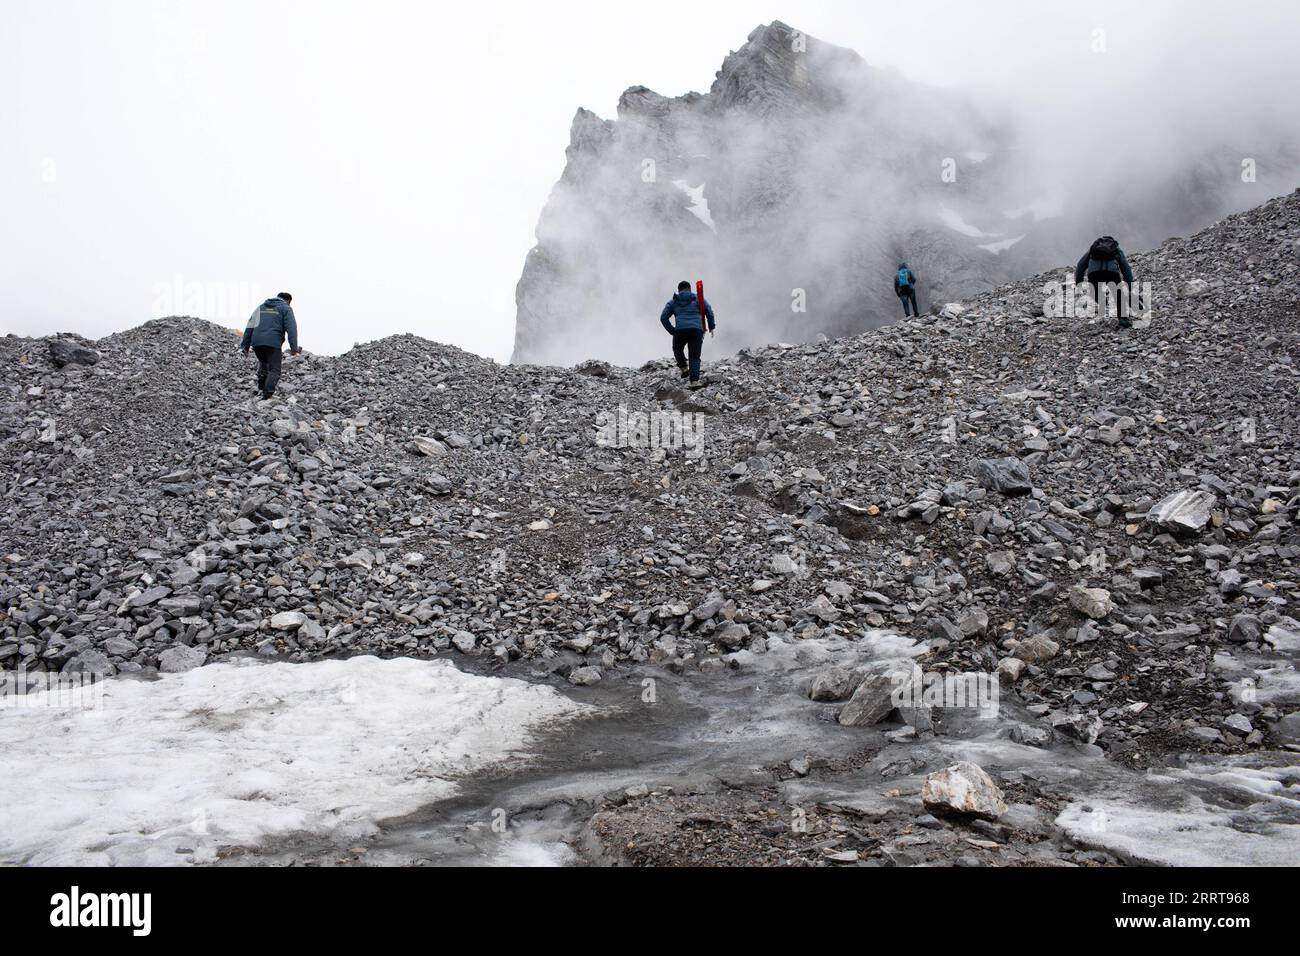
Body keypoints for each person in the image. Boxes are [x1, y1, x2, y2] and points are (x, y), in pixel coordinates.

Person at [240, 293, 300, 399]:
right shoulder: (286, 308)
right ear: (288, 301)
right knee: (274, 369)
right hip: (273, 342)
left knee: (264, 362)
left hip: (257, 342)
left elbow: (250, 326)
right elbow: (291, 329)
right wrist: (294, 349)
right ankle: (267, 394)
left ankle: (262, 384)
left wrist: (245, 346)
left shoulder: (261, 307)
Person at [660, 281, 716, 390]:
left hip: (680, 330)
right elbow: (709, 311)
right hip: (696, 330)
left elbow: (663, 318)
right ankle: (694, 382)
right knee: (694, 356)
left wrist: (673, 331)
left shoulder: (673, 301)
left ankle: (683, 367)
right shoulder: (698, 299)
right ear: (690, 289)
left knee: (677, 348)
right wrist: (711, 326)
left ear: (679, 290)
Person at [1074, 237, 1136, 327]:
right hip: (1111, 273)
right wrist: (1129, 286)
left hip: (1094, 274)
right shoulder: (1116, 250)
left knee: (1095, 293)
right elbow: (1126, 267)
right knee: (1119, 295)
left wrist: (1078, 283)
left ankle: (1103, 302)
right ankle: (1123, 318)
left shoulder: (1092, 250)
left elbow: (1080, 265)